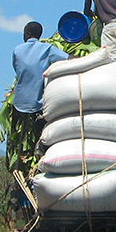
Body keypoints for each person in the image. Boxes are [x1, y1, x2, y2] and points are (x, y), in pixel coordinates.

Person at [9, 21, 69, 172]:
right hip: (40, 102)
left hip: (19, 101)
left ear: (27, 34)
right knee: (42, 131)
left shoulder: (17, 50)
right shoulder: (47, 49)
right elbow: (67, 60)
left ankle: (20, 162)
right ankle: (41, 152)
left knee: (19, 135)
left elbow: (17, 69)